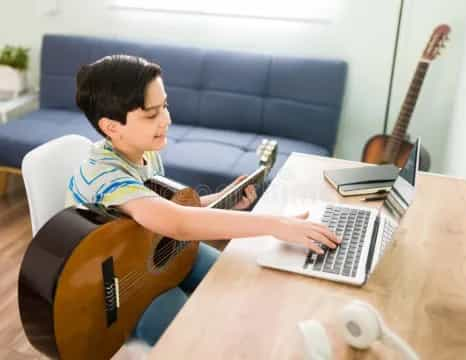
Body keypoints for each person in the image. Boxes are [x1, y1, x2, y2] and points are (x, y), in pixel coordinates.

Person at [66, 54, 340, 346]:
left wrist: (221, 200)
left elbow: (161, 213)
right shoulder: (103, 174)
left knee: (241, 282)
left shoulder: (145, 152)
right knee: (198, 335)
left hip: (156, 256)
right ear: (111, 127)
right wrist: (276, 224)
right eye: (151, 114)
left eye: (165, 107)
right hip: (118, 289)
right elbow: (177, 222)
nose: (167, 119)